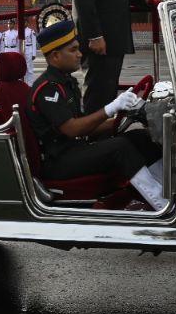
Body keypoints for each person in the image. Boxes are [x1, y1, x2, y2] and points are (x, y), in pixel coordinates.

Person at [28, 19, 165, 210]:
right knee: (120, 147)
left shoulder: (67, 83)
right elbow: (71, 129)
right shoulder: (48, 89)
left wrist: (125, 118)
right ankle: (162, 205)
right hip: (58, 160)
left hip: (74, 150)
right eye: (73, 50)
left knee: (142, 138)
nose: (79, 54)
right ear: (55, 56)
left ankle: (166, 192)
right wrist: (111, 108)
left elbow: (86, 127)